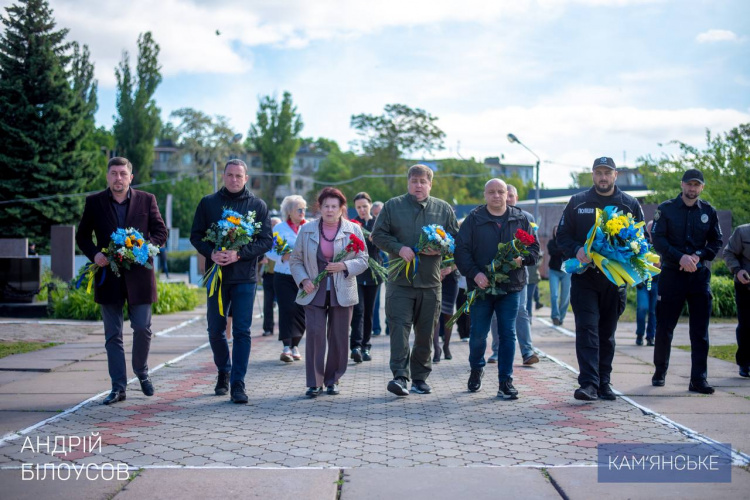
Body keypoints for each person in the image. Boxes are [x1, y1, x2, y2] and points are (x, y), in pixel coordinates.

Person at [76, 157, 168, 405]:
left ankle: (142, 371)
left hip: (140, 275)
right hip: (109, 276)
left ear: (131, 177)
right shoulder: (94, 202)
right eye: (114, 173)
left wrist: (145, 248)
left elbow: (161, 232)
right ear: (107, 176)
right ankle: (118, 387)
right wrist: (95, 254)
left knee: (142, 328)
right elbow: (82, 236)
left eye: (122, 173)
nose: (118, 178)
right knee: (113, 335)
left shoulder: (147, 200)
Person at [557, 156, 644, 401]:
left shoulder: (629, 204)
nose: (603, 177)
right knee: (587, 330)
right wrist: (577, 250)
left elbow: (641, 240)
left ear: (616, 175)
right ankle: (588, 384)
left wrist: (629, 253)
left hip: (614, 280)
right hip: (585, 279)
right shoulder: (577, 202)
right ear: (592, 175)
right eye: (598, 173)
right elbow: (562, 236)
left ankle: (604, 382)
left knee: (606, 333)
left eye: (607, 173)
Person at [372, 164, 459, 396]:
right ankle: (400, 377)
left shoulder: (443, 209)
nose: (418, 185)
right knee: (399, 330)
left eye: (423, 181)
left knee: (426, 333)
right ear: (408, 182)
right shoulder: (393, 206)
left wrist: (448, 264)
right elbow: (377, 235)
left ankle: (420, 378)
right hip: (400, 282)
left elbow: (456, 242)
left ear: (430, 184)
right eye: (414, 181)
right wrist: (399, 249)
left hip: (431, 283)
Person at [190, 159, 272, 404]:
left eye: (239, 175)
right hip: (216, 277)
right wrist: (210, 252)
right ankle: (223, 370)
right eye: (230, 175)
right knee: (215, 329)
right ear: (223, 176)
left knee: (242, 331)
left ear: (246, 178)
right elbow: (195, 235)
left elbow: (265, 240)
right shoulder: (208, 203)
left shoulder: (257, 205)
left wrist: (240, 253)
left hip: (245, 278)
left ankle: (238, 382)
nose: (234, 179)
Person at [455, 179, 539, 399]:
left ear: (507, 194)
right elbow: (461, 251)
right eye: (491, 192)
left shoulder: (520, 218)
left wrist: (523, 259)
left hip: (510, 288)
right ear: (485, 195)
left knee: (507, 333)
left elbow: (535, 251)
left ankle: (505, 381)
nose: (496, 196)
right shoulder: (474, 219)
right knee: (478, 334)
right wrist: (475, 273)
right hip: (481, 288)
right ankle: (476, 368)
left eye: (500, 192)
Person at [290, 187, 368, 397]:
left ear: (342, 208)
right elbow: (296, 260)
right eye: (326, 206)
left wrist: (344, 266)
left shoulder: (353, 229)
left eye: (334, 206)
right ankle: (314, 382)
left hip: (342, 289)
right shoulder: (306, 230)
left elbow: (363, 260)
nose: (330, 210)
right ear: (320, 208)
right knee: (315, 335)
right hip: (313, 291)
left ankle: (333, 379)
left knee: (339, 336)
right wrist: (304, 280)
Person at [651, 169, 722, 394]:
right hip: (672, 275)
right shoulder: (666, 209)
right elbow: (658, 240)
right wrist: (679, 257)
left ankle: (698, 379)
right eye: (689, 184)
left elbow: (717, 241)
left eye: (696, 185)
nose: (692, 189)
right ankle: (660, 370)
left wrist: (697, 256)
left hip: (699, 276)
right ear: (682, 185)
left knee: (700, 330)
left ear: (702, 188)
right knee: (665, 327)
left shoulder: (709, 211)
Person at [489, 184, 539, 366]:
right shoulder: (490, 215)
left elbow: (534, 247)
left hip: (518, 274)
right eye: (505, 194)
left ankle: (527, 352)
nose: (507, 198)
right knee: (496, 313)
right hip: (496, 275)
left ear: (516, 198)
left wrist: (522, 259)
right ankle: (496, 351)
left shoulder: (526, 218)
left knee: (520, 310)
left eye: (511, 195)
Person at [267, 196, 308, 362]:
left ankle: (295, 345)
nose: (303, 212)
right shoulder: (280, 229)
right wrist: (282, 256)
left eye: (304, 209)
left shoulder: (309, 227)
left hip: (304, 277)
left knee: (301, 310)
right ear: (290, 212)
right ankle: (286, 346)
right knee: (287, 309)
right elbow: (268, 250)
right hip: (283, 275)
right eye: (299, 209)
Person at [350, 192, 383, 362]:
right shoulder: (351, 223)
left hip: (373, 273)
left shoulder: (378, 223)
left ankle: (366, 347)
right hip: (356, 272)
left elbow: (385, 243)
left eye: (364, 206)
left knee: (369, 311)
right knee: (358, 310)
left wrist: (376, 240)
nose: (362, 210)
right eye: (358, 207)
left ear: (370, 205)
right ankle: (355, 345)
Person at [723, 223, 750, 378]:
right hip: (745, 286)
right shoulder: (742, 231)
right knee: (746, 325)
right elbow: (728, 253)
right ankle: (744, 363)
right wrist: (737, 270)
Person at [635, 221, 659, 346]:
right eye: (650, 230)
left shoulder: (661, 245)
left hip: (656, 282)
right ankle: (639, 334)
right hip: (642, 282)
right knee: (642, 308)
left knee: (653, 311)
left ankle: (650, 337)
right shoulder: (640, 244)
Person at [259, 216, 282, 337]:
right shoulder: (266, 239)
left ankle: (285, 329)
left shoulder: (283, 238)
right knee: (267, 303)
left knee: (283, 303)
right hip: (268, 275)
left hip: (281, 275)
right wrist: (260, 260)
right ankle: (268, 328)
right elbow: (257, 254)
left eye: (276, 224)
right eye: (271, 224)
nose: (273, 227)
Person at [433, 263, 459, 362]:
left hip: (451, 279)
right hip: (434, 278)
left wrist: (451, 268)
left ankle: (446, 346)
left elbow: (462, 256)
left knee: (449, 315)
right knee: (434, 315)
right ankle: (436, 349)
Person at [547, 225, 571, 326]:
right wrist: (562, 249)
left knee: (565, 296)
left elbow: (569, 253)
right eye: (555, 231)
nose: (557, 233)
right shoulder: (551, 243)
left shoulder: (568, 242)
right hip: (554, 271)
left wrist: (562, 249)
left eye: (559, 231)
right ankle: (555, 316)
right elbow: (552, 252)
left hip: (566, 271)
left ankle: (561, 317)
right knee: (554, 295)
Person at [371, 201, 385, 336]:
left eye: (379, 214)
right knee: (376, 298)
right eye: (374, 214)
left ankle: (389, 326)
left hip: (390, 259)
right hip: (375, 262)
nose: (377, 217)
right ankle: (376, 327)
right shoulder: (369, 225)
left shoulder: (389, 223)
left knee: (392, 295)